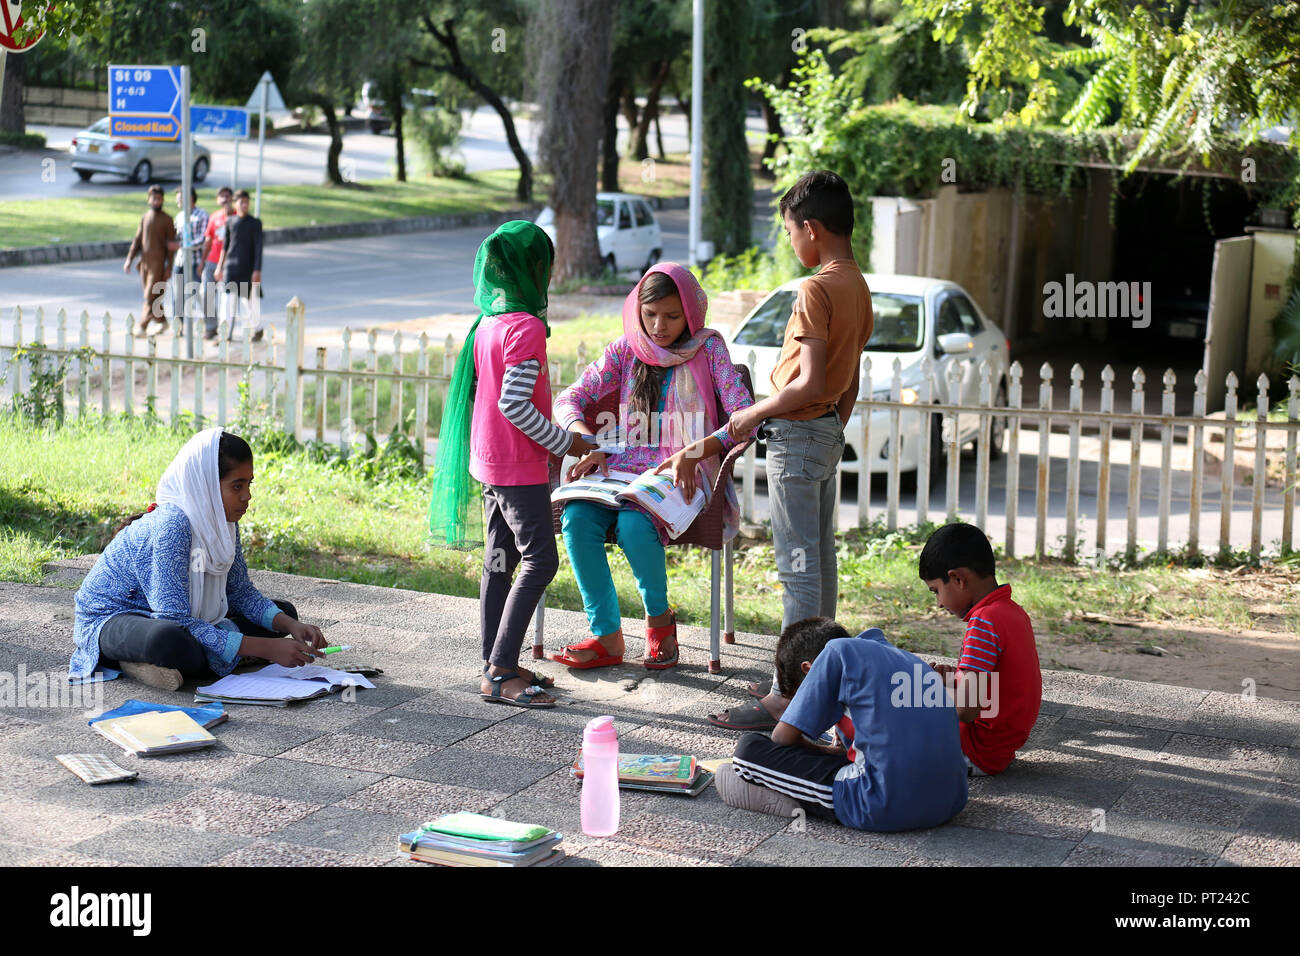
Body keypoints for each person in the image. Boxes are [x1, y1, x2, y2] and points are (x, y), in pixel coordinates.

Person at [711, 169, 873, 730]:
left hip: (799, 435)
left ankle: (792, 696)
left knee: (797, 568)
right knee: (819, 561)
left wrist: (751, 414)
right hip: (825, 433)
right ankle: (822, 679)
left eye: (789, 233)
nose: (791, 243)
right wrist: (828, 424)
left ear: (811, 228)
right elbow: (847, 378)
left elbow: (806, 381)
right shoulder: (857, 286)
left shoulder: (817, 288)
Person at [549, 264, 755, 670]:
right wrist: (590, 442)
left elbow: (745, 417)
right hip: (622, 468)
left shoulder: (710, 348)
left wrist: (698, 451)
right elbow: (568, 399)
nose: (659, 327)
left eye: (672, 316)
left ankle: (660, 625)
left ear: (692, 314)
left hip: (684, 470)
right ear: (637, 310)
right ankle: (606, 636)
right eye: (650, 315)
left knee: (633, 524)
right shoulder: (625, 348)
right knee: (576, 518)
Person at [428, 220, 596, 708]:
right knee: (541, 560)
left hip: (489, 462)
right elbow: (514, 404)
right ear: (534, 270)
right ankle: (501, 671)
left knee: (498, 562)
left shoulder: (489, 323)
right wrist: (564, 443)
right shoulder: (524, 328)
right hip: (518, 467)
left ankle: (494, 661)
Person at [68, 428, 328, 692]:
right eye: (237, 486)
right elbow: (174, 620)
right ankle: (137, 661)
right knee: (168, 640)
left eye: (249, 484)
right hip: (115, 617)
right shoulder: (173, 525)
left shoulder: (223, 521)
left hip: (180, 617)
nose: (247, 496)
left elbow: (240, 592)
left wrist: (291, 625)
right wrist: (267, 648)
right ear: (206, 488)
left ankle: (185, 662)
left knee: (284, 611)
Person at [715, 617, 968, 831]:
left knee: (749, 750)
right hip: (951, 800)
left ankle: (782, 794)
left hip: (881, 803)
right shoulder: (905, 659)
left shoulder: (834, 653)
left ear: (809, 669)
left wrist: (822, 750)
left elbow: (782, 738)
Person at [919, 522, 1042, 776]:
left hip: (975, 750)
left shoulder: (984, 622)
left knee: (895, 701)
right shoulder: (1012, 612)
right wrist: (954, 679)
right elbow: (999, 683)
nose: (939, 604)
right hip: (999, 748)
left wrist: (934, 696)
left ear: (957, 578)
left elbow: (966, 709)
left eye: (936, 591)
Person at [123, 185, 179, 338]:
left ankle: (142, 326)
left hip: (159, 264)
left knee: (150, 296)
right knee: (153, 296)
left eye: (159, 199)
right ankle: (162, 321)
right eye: (154, 198)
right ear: (149, 199)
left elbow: (171, 247)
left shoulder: (167, 220)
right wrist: (129, 259)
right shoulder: (145, 217)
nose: (156, 201)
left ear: (162, 200)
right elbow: (137, 241)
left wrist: (169, 266)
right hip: (145, 263)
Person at [214, 189, 264, 342]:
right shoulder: (230, 222)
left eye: (246, 202)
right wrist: (219, 266)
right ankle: (224, 334)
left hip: (247, 268)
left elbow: (258, 248)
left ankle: (257, 329)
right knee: (227, 302)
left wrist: (257, 270)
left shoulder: (255, 223)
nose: (244, 205)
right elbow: (225, 246)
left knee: (249, 302)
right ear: (236, 203)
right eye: (241, 202)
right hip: (230, 267)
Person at [170, 186, 209, 335]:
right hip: (180, 261)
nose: (178, 201)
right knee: (177, 295)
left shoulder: (202, 215)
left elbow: (202, 238)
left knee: (196, 294)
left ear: (190, 198)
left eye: (180, 198)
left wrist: (184, 245)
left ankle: (204, 324)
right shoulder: (179, 217)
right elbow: (176, 236)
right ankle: (177, 326)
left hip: (195, 261)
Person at [200, 187, 234, 341]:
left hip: (230, 263)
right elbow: (208, 240)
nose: (225, 199)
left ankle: (226, 331)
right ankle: (211, 326)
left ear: (232, 198)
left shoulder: (237, 217)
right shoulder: (214, 218)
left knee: (227, 299)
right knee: (205, 294)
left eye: (227, 196)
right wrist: (202, 261)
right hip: (212, 261)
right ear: (217, 199)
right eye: (221, 196)